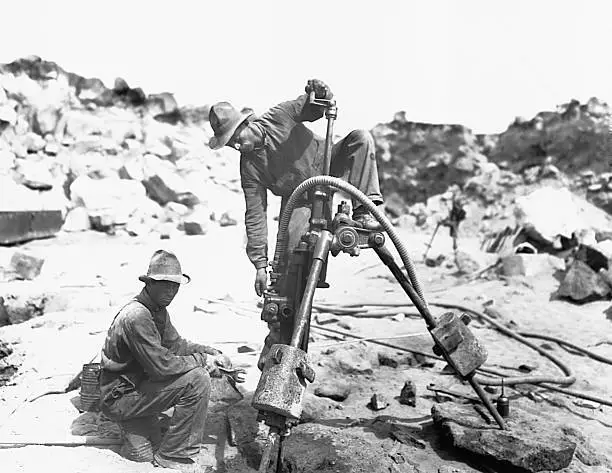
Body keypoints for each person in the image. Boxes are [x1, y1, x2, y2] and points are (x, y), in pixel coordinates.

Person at [208, 79, 385, 297]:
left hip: (329, 163)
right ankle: (285, 324)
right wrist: (260, 266)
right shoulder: (249, 167)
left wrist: (321, 94)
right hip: (300, 199)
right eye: (230, 144)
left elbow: (310, 108)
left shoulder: (278, 116)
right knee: (290, 264)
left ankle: (364, 213)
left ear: (247, 125)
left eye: (236, 139)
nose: (236, 146)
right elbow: (255, 215)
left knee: (361, 139)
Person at [99, 249, 234, 472]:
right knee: (197, 380)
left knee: (142, 451)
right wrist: (202, 361)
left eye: (175, 286)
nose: (171, 291)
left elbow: (177, 345)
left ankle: (140, 424)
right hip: (121, 397)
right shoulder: (137, 316)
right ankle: (175, 457)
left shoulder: (156, 309)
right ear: (150, 283)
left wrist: (211, 352)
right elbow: (161, 367)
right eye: (165, 284)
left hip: (137, 388)